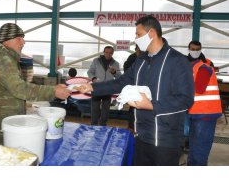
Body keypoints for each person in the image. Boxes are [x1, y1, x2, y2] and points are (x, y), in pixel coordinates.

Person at [79, 15, 194, 166]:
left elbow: (185, 99)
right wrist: (92, 87)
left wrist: (152, 105)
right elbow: (122, 82)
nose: (136, 38)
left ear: (151, 33)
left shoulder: (177, 61)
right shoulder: (141, 60)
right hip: (141, 135)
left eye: (138, 34)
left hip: (165, 141)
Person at [0, 23, 71, 145]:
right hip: (0, 127)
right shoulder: (2, 58)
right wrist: (53, 91)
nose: (23, 42)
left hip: (1, 122)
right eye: (19, 38)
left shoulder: (0, 55)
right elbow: (19, 88)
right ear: (6, 40)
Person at [186, 40, 222, 166]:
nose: (195, 52)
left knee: (199, 151)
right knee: (194, 148)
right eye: (193, 49)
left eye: (197, 49)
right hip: (196, 113)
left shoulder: (204, 67)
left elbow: (199, 88)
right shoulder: (193, 66)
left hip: (205, 114)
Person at [87, 46, 121, 126]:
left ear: (112, 53)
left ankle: (103, 126)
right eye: (106, 52)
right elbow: (90, 72)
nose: (108, 54)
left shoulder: (116, 64)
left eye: (110, 53)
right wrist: (93, 78)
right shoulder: (96, 61)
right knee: (95, 109)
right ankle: (93, 125)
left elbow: (119, 76)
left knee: (105, 110)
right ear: (103, 52)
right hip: (96, 88)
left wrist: (114, 72)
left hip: (108, 89)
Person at [123, 45, 143, 131]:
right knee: (133, 108)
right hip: (133, 87)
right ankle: (131, 127)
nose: (139, 51)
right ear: (135, 49)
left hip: (143, 89)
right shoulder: (131, 58)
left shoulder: (148, 58)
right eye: (138, 49)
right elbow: (126, 71)